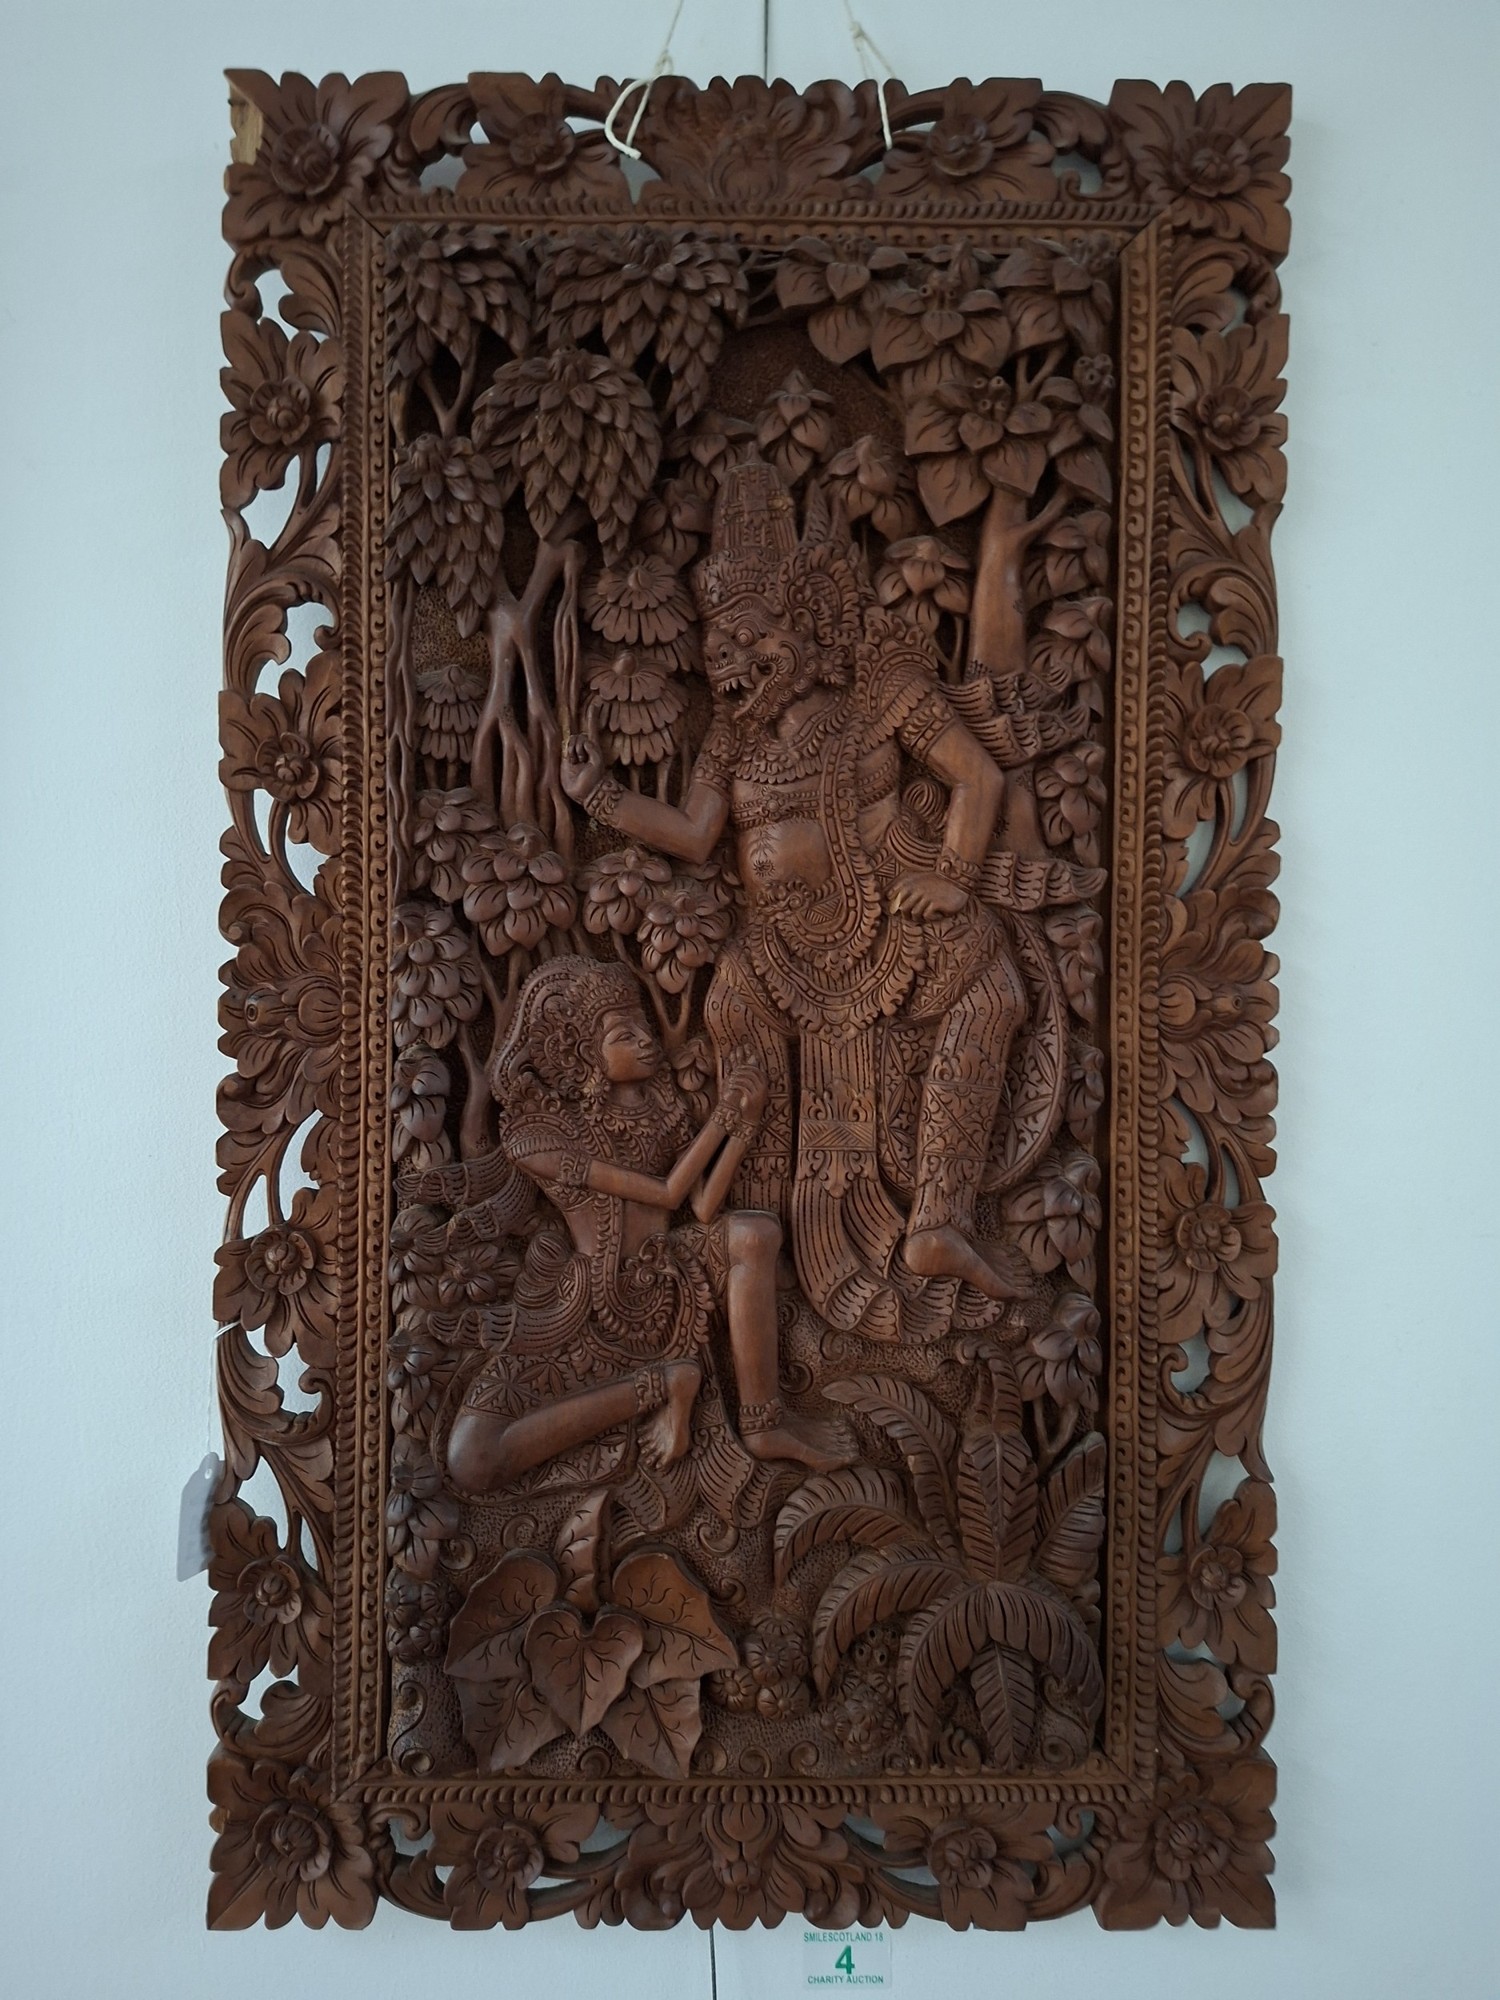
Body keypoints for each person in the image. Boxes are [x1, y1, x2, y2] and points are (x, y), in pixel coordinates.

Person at [444, 955, 851, 1494]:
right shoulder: (541, 1137)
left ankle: (763, 1422)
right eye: (623, 1035)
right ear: (583, 1055)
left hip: (668, 1285)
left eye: (643, 1027)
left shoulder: (662, 1111)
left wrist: (745, 1124)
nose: (645, 1040)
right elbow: (667, 1192)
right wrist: (724, 1119)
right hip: (590, 1310)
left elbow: (700, 1206)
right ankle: (663, 1384)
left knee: (755, 1233)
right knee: (471, 1458)